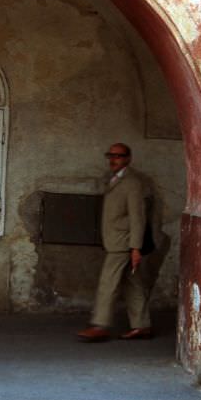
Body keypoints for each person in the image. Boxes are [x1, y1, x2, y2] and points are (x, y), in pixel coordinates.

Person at [77, 143, 153, 342]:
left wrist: (136, 247)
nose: (113, 159)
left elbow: (138, 217)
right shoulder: (113, 179)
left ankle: (100, 325)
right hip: (116, 240)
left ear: (128, 158)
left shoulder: (132, 183)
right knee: (133, 284)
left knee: (107, 283)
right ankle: (142, 325)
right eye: (110, 155)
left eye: (118, 156)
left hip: (123, 242)